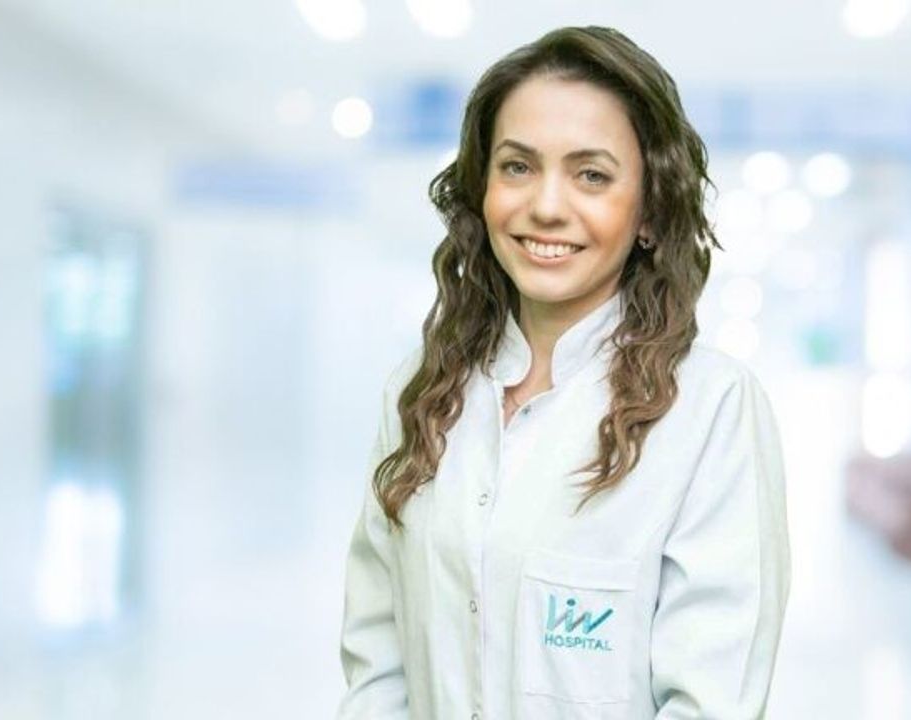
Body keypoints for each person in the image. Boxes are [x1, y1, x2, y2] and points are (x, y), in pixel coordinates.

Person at [338, 25, 791, 720]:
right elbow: (377, 664)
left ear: (649, 212)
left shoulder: (711, 408)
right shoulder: (422, 394)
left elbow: (711, 700)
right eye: (517, 167)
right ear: (481, 191)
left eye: (592, 175)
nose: (547, 206)